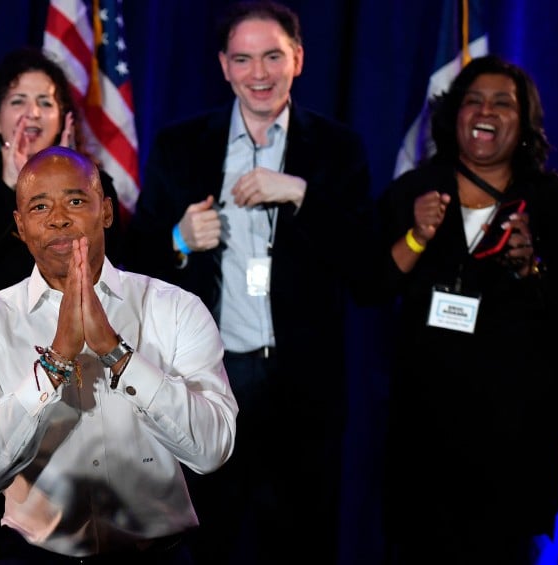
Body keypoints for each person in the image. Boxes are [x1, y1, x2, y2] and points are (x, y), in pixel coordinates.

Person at [122, 2, 378, 563]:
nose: (259, 74)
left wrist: (301, 194)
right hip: (209, 382)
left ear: (299, 59)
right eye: (243, 59)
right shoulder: (181, 145)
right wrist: (179, 240)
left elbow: (369, 270)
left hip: (303, 385)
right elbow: (136, 267)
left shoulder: (337, 149)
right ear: (223, 65)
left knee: (302, 542)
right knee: (209, 540)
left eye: (272, 57)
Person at [0, 146, 238, 564]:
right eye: (39, 206)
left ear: (107, 212)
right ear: (20, 226)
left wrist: (117, 354)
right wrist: (54, 363)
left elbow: (213, 449)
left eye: (75, 201)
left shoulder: (175, 308)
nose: (58, 218)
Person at [376, 54, 558, 564]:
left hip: (514, 448)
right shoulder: (417, 189)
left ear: (524, 120)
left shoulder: (553, 202)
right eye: (473, 99)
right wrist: (416, 236)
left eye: (501, 102)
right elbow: (369, 285)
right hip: (424, 443)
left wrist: (533, 267)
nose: (485, 110)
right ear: (456, 114)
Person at [0, 46, 122, 315]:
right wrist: (10, 187)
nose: (33, 112)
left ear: (62, 119)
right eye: (18, 101)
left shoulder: (97, 184)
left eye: (45, 102)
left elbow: (116, 265)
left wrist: (69, 183)